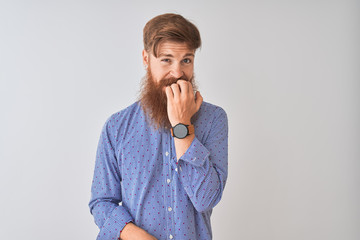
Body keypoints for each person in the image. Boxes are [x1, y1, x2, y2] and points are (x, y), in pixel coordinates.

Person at [89, 13, 228, 240]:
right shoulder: (116, 127)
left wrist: (182, 126)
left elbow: (206, 199)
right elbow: (101, 202)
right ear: (146, 59)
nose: (178, 73)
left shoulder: (214, 119)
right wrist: (139, 236)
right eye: (166, 60)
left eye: (186, 60)